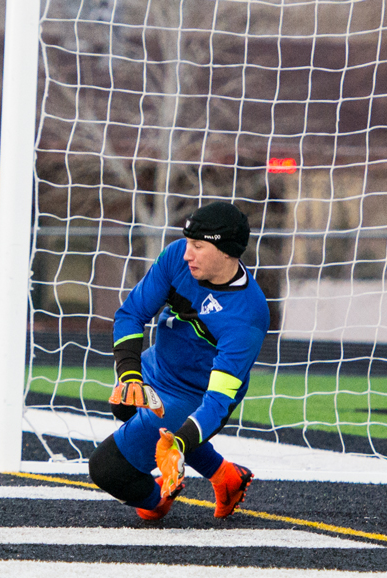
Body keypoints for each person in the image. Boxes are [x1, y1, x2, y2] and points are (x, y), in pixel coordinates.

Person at [88, 201, 269, 520]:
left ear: (225, 251)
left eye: (197, 246)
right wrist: (131, 376)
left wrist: (179, 444)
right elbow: (131, 314)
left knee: (106, 469)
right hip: (157, 365)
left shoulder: (248, 316)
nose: (187, 253)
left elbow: (217, 402)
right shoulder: (176, 257)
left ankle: (157, 501)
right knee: (124, 405)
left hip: (194, 395)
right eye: (187, 243)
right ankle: (225, 476)